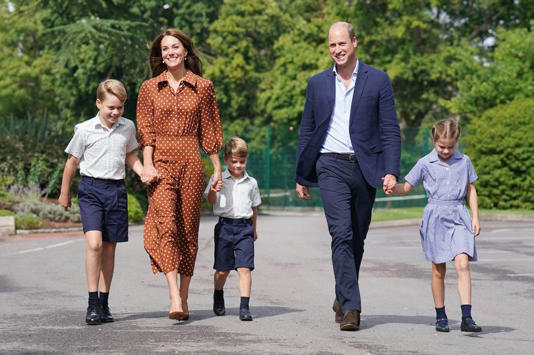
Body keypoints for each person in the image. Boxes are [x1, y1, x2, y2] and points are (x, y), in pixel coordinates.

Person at [295, 22, 401, 331]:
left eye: (342, 43)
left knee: (357, 237)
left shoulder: (378, 80)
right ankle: (353, 308)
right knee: (340, 234)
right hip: (329, 166)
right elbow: (307, 130)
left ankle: (342, 294)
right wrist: (302, 173)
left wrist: (391, 169)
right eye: (331, 45)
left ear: (354, 42)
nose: (337, 50)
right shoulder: (317, 84)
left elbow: (390, 129)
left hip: (366, 169)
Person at [136, 28, 223, 321]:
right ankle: (173, 294)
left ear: (186, 51)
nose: (170, 52)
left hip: (191, 162)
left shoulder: (203, 87)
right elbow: (145, 132)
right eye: (165, 49)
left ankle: (184, 294)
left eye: (175, 47)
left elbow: (209, 129)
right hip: (160, 163)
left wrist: (217, 168)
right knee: (167, 226)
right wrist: (147, 165)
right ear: (160, 55)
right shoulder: (149, 88)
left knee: (188, 230)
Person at [58, 79, 144, 325]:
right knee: (94, 244)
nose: (115, 112)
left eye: (120, 107)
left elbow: (130, 154)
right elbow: (72, 163)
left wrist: (143, 172)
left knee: (109, 247)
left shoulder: (127, 127)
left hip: (116, 190)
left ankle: (105, 303)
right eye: (110, 107)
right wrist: (64, 194)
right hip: (91, 190)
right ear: (99, 103)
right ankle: (92, 303)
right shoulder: (84, 129)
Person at [389, 118, 482, 333]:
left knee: (462, 264)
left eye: (451, 146)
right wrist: (392, 187)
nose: (446, 150)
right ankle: (441, 315)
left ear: (456, 142)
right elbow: (407, 187)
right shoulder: (424, 163)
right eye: (442, 146)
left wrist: (475, 217)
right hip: (435, 216)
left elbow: (471, 189)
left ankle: (467, 317)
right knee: (439, 268)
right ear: (434, 141)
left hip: (459, 215)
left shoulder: (464, 161)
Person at [204, 137, 261, 321]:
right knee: (222, 270)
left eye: (242, 162)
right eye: (234, 161)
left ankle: (244, 307)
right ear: (226, 159)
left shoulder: (251, 182)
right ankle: (218, 293)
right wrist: (214, 189)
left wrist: (254, 229)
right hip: (224, 228)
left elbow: (254, 207)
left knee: (245, 268)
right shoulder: (218, 178)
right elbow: (210, 201)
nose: (238, 165)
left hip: (244, 228)